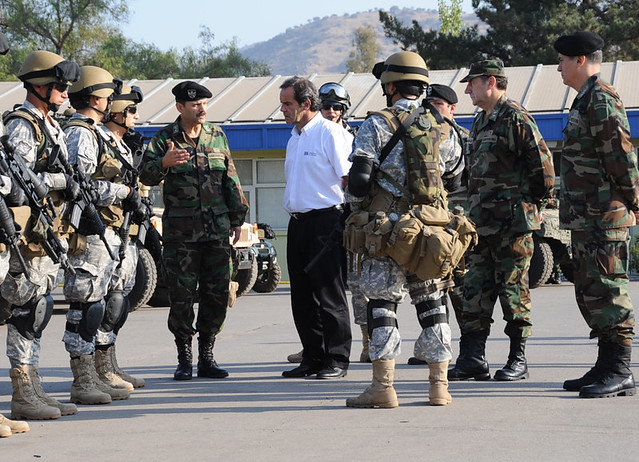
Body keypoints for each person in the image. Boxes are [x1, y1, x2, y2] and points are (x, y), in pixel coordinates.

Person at [344, 51, 456, 408]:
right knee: (433, 306)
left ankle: (383, 388)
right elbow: (455, 174)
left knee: (382, 306)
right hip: (431, 233)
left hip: (388, 232)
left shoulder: (376, 124)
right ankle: (439, 386)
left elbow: (359, 183)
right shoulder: (443, 126)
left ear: (390, 86)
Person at [448, 59, 555, 382]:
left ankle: (517, 359)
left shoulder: (515, 118)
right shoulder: (481, 121)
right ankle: (472, 358)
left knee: (513, 292)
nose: (467, 89)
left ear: (491, 82)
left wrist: (525, 208)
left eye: (473, 83)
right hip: (482, 226)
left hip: (512, 226)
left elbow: (544, 172)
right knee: (474, 292)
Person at [140, 81, 248, 381]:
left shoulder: (217, 135)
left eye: (204, 104)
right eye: (195, 105)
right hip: (181, 235)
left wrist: (238, 218)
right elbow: (144, 174)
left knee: (217, 294)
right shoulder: (164, 139)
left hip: (217, 232)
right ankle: (184, 357)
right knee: (182, 296)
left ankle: (207, 356)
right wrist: (163, 163)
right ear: (180, 108)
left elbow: (230, 177)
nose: (201, 109)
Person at [554, 31, 639, 398]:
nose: (558, 66)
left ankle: (620, 369)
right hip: (587, 218)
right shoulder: (584, 99)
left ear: (580, 60)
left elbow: (621, 157)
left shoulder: (601, 99)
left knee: (608, 290)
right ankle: (606, 364)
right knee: (591, 293)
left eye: (562, 59)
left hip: (604, 216)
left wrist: (636, 202)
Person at [2, 50, 81, 420]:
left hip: (45, 228)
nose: (66, 93)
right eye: (59, 87)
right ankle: (22, 391)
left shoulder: (49, 124)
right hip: (24, 232)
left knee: (39, 307)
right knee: (26, 309)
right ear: (40, 87)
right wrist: (61, 180)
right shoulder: (23, 124)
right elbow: (20, 183)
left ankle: (33, 385)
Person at [285, 81, 369, 364]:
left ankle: (336, 358)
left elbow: (349, 181)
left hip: (325, 221)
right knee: (301, 296)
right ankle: (312, 356)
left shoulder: (330, 134)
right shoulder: (294, 136)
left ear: (306, 104)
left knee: (328, 294)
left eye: (288, 104)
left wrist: (346, 221)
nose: (283, 109)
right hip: (297, 223)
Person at [63, 65, 132, 404]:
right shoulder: (80, 132)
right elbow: (83, 186)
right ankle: (82, 380)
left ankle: (98, 372)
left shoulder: (95, 132)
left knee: (103, 304)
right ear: (94, 98)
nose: (112, 103)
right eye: (107, 97)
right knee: (84, 308)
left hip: (107, 229)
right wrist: (121, 193)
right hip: (89, 231)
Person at [407, 83, 469, 366]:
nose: (431, 109)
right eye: (427, 103)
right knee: (430, 286)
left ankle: (468, 350)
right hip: (431, 221)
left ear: (452, 109)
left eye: (438, 105)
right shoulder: (421, 130)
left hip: (456, 221)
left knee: (458, 288)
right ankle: (433, 343)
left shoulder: (456, 136)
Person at [96, 83, 147, 390]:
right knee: (99, 303)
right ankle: (95, 370)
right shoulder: (97, 138)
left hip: (123, 230)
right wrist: (126, 193)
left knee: (119, 300)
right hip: (101, 230)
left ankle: (109, 363)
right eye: (130, 111)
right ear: (113, 112)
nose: (135, 117)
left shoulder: (124, 145)